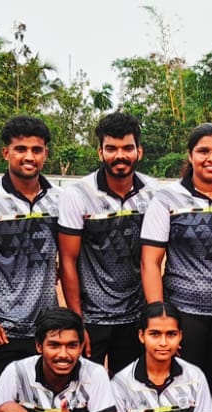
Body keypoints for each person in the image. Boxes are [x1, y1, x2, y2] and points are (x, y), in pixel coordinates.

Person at [141, 124, 212, 385]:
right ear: (190, 156)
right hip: (183, 314)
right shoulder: (167, 198)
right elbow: (150, 262)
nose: (211, 158)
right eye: (203, 151)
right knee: (184, 386)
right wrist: (161, 320)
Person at [0, 115, 62, 396]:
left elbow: (68, 259)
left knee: (41, 407)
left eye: (36, 150)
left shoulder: (59, 200)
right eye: (21, 149)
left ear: (45, 154)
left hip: (45, 331)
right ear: (6, 152)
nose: (29, 157)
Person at [58, 112, 158, 372]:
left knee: (128, 390)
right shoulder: (78, 195)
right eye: (111, 148)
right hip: (92, 317)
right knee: (84, 390)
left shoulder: (154, 193)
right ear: (100, 152)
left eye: (127, 148)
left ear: (139, 151)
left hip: (136, 315)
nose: (120, 155)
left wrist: (153, 314)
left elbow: (154, 258)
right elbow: (67, 259)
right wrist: (77, 321)